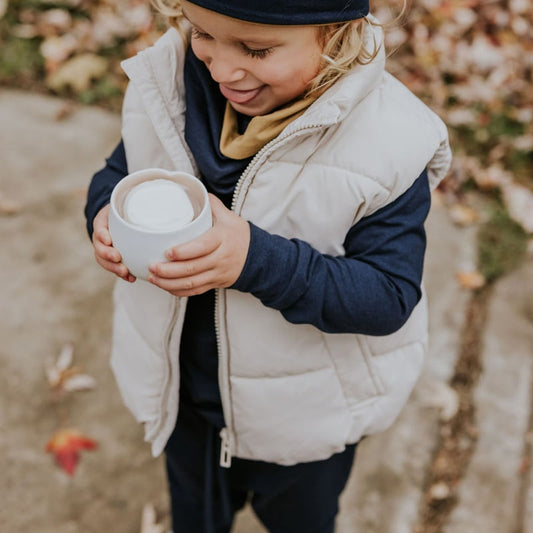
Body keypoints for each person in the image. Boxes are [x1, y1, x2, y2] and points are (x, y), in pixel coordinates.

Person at [85, 0, 452, 531]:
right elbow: (122, 168)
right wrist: (102, 213)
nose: (222, 69)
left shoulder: (388, 143)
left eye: (256, 49)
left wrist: (255, 260)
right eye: (203, 33)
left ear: (334, 36)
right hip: (185, 399)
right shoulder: (170, 83)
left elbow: (388, 295)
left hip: (303, 419)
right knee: (196, 515)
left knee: (300, 521)